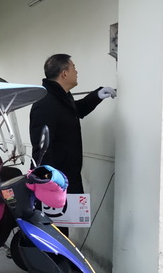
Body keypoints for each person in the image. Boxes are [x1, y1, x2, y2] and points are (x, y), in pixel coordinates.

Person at [29, 53, 116, 211]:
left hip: (68, 176)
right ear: (64, 73)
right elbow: (41, 149)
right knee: (56, 224)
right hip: (55, 182)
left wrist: (96, 96)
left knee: (71, 221)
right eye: (74, 68)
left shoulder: (61, 97)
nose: (77, 72)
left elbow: (75, 111)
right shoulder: (46, 103)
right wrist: (50, 181)